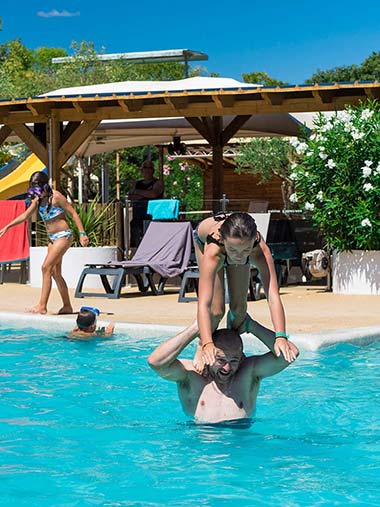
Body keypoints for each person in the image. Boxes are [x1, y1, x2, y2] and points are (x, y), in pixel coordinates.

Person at [148, 316, 299, 424]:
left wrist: (251, 326)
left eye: (233, 361)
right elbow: (156, 362)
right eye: (221, 360)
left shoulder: (249, 372)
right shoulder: (192, 375)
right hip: (201, 448)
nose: (227, 368)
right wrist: (196, 328)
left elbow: (290, 354)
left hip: (241, 446)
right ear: (208, 353)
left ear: (241, 357)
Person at [193, 212, 291, 370]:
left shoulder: (259, 250)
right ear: (224, 241)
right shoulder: (214, 250)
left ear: (253, 242)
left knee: (239, 311)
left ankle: (230, 352)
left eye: (245, 251)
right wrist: (207, 343)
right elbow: (203, 304)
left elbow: (273, 297)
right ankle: (201, 345)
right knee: (216, 311)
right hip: (205, 241)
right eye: (233, 250)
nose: (239, 257)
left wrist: (280, 335)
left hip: (235, 244)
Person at [0, 171, 89, 314]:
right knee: (55, 273)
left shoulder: (56, 197)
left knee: (45, 268)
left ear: (44, 186)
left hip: (63, 236)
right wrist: (7, 226)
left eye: (38, 190)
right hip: (52, 239)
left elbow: (73, 213)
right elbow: (25, 215)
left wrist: (82, 233)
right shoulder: (38, 200)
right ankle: (67, 306)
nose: (37, 194)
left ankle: (42, 306)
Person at [128, 160, 164, 246]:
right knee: (136, 239)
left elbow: (154, 194)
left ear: (153, 170)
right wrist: (145, 194)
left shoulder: (157, 183)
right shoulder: (137, 183)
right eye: (145, 167)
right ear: (141, 170)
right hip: (138, 216)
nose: (147, 170)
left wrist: (138, 192)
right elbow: (131, 197)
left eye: (150, 168)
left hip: (153, 217)